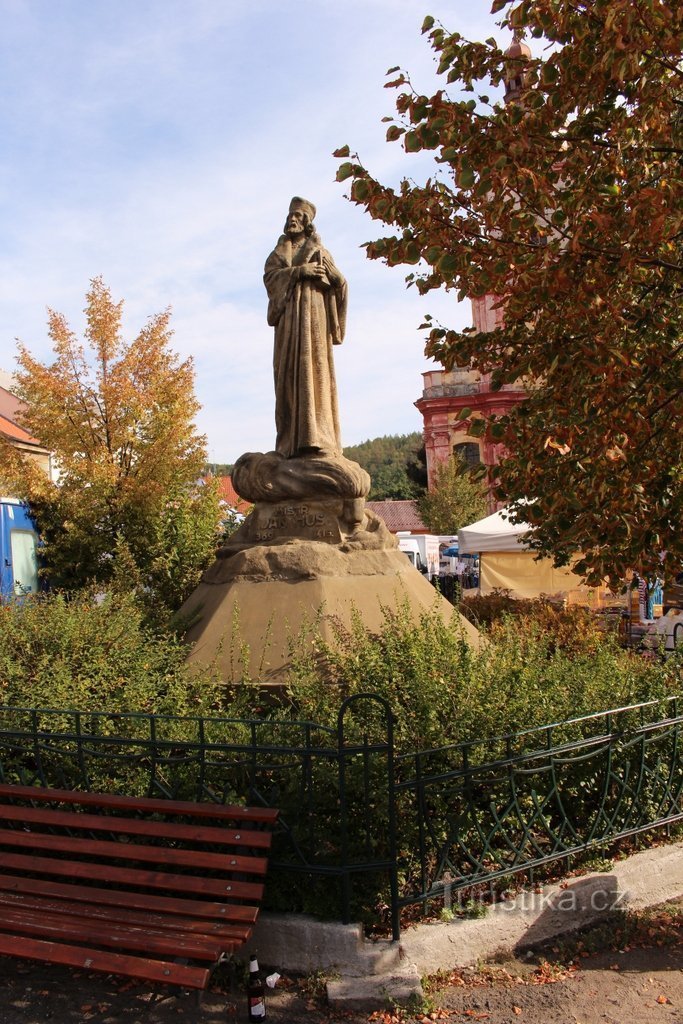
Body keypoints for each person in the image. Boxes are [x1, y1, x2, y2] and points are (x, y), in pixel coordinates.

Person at [264, 197, 348, 458]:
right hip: (289, 327)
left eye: (299, 216)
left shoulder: (321, 251)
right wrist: (300, 272)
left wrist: (334, 279)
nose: (293, 220)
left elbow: (340, 283)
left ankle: (319, 438)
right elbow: (270, 279)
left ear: (307, 222)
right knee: (288, 378)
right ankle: (289, 442)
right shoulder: (280, 253)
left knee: (315, 375)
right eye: (291, 215)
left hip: (313, 324)